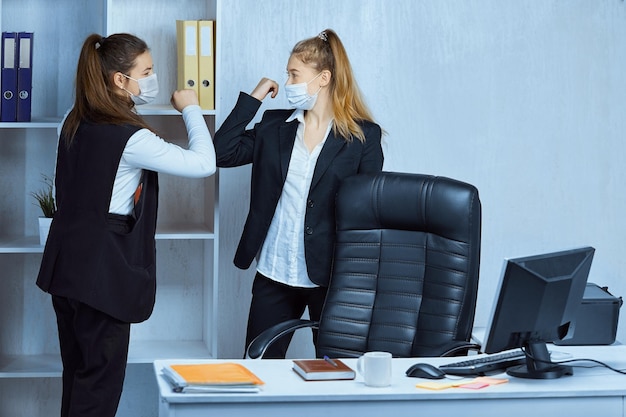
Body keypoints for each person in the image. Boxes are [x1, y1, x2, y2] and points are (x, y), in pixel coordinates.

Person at [36, 33, 216, 417]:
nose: (152, 78)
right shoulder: (131, 139)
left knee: (79, 379)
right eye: (147, 71)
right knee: (98, 391)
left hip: (64, 271)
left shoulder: (73, 121)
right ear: (120, 80)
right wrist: (191, 109)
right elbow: (203, 164)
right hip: (102, 278)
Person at [214, 29, 384, 359]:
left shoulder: (363, 138)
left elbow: (368, 215)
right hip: (275, 271)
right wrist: (255, 96)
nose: (287, 81)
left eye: (294, 74)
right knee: (258, 366)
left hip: (332, 277)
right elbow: (221, 153)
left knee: (339, 370)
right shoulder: (274, 125)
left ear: (323, 78)